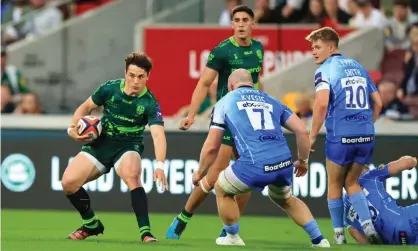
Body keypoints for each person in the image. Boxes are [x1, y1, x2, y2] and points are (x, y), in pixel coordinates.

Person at [192, 69, 330, 247]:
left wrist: (200, 172)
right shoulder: (272, 100)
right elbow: (302, 131)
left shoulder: (225, 102)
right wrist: (303, 161)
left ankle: (232, 237)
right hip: (283, 162)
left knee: (222, 188)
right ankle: (319, 239)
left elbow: (212, 146)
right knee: (286, 198)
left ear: (231, 85)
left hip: (254, 163)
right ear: (252, 84)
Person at [167, 5, 264, 240]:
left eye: (245, 20)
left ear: (253, 24)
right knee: (214, 175)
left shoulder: (259, 49)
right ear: (232, 24)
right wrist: (191, 114)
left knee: (249, 177)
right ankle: (183, 217)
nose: (241, 24)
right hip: (227, 117)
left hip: (248, 121)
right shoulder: (222, 51)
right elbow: (203, 83)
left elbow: (256, 83)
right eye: (236, 20)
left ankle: (230, 228)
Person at [62, 52, 169, 242]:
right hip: (101, 144)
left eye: (141, 77)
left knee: (132, 175)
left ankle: (146, 232)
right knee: (68, 182)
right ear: (125, 73)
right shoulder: (109, 89)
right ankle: (91, 224)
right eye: (132, 75)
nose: (135, 81)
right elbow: (85, 107)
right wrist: (72, 128)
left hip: (128, 146)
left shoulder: (150, 103)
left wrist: (160, 165)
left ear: (148, 77)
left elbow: (158, 135)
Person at [306, 27, 383, 244]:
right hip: (366, 135)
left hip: (340, 136)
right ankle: (368, 227)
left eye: (318, 47)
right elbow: (378, 102)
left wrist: (312, 136)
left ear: (331, 47)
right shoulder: (358, 67)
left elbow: (321, 104)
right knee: (352, 182)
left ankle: (339, 237)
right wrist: (367, 124)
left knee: (334, 184)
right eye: (312, 48)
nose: (314, 52)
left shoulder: (325, 70)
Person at [344, 156, 418, 245]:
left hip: (395, 242)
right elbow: (408, 162)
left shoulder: (344, 211)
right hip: (407, 219)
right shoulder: (370, 176)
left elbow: (363, 241)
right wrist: (413, 160)